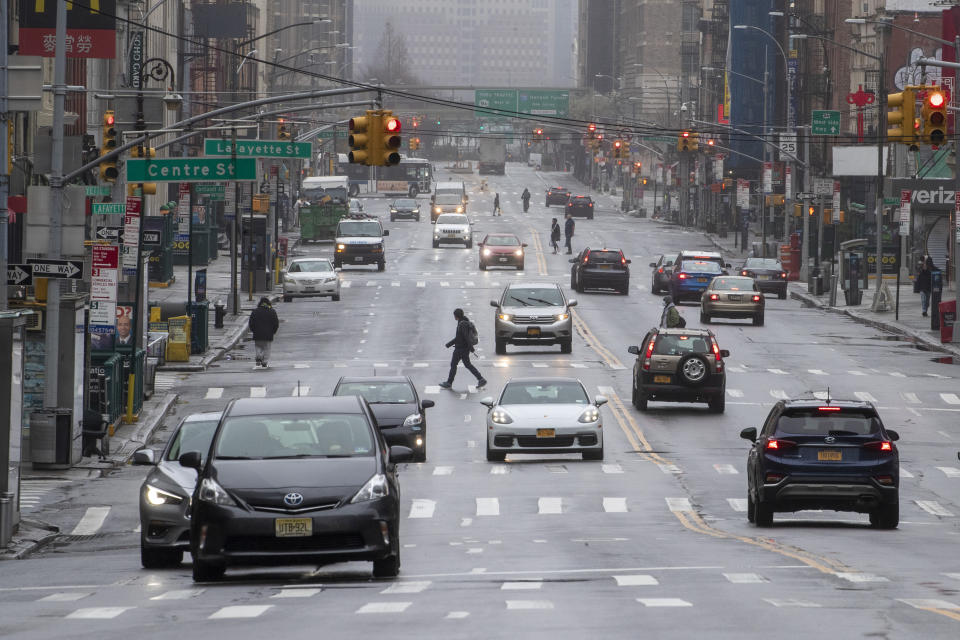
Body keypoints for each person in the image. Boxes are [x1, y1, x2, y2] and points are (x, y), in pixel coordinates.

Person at [439, 308, 486, 390]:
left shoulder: (462, 324)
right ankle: (481, 379)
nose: (454, 317)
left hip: (460, 349)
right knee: (468, 365)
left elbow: (464, 337)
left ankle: (449, 383)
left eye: (454, 315)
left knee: (453, 365)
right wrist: (449, 344)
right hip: (464, 348)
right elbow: (461, 337)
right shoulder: (464, 321)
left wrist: (471, 347)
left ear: (456, 316)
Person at [249, 296, 279, 367]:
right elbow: (276, 323)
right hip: (268, 334)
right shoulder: (272, 311)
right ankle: (264, 361)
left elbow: (251, 323)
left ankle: (259, 356)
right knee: (267, 348)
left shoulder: (255, 311)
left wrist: (253, 330)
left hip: (257, 334)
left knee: (258, 346)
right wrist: (273, 331)